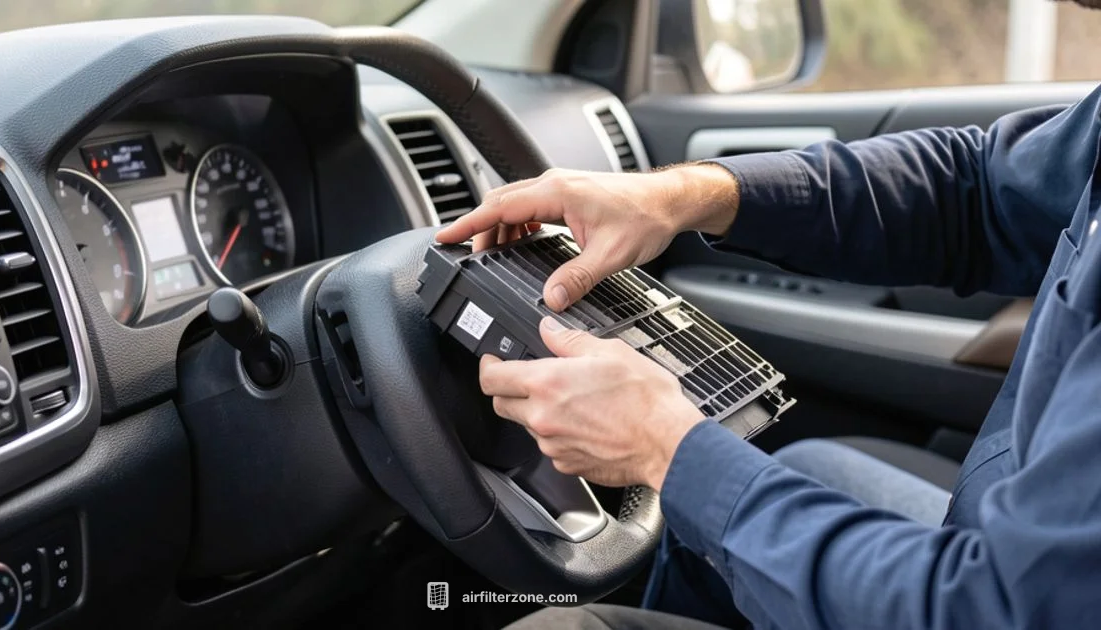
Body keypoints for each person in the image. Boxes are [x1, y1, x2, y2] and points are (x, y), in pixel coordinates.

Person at [434, 68, 1101, 630]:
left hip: (990, 595)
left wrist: (666, 450)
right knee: (798, 472)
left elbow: (995, 611)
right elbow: (981, 191)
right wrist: (679, 195)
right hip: (1009, 540)